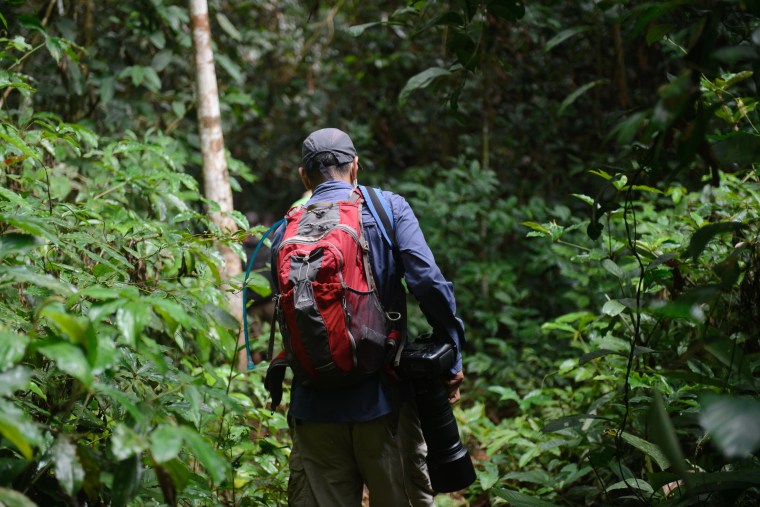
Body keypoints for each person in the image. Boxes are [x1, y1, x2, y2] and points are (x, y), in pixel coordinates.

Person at [269, 127, 465, 507]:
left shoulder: (287, 229)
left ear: (303, 177)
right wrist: (451, 354)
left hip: (314, 407)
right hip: (384, 402)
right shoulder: (387, 208)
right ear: (355, 167)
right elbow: (428, 282)